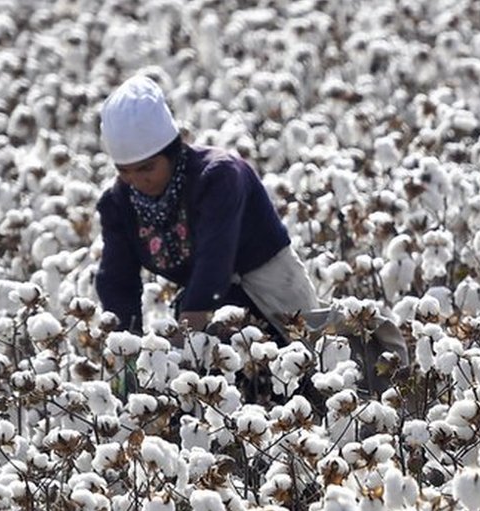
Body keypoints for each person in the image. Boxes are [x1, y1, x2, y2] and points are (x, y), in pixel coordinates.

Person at [95, 74, 318, 344]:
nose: (138, 181)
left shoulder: (219, 176)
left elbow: (215, 259)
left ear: (172, 152)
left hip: (276, 297)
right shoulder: (118, 203)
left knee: (304, 370)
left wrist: (183, 346)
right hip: (206, 308)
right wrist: (126, 355)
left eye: (147, 168)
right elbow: (117, 281)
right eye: (124, 172)